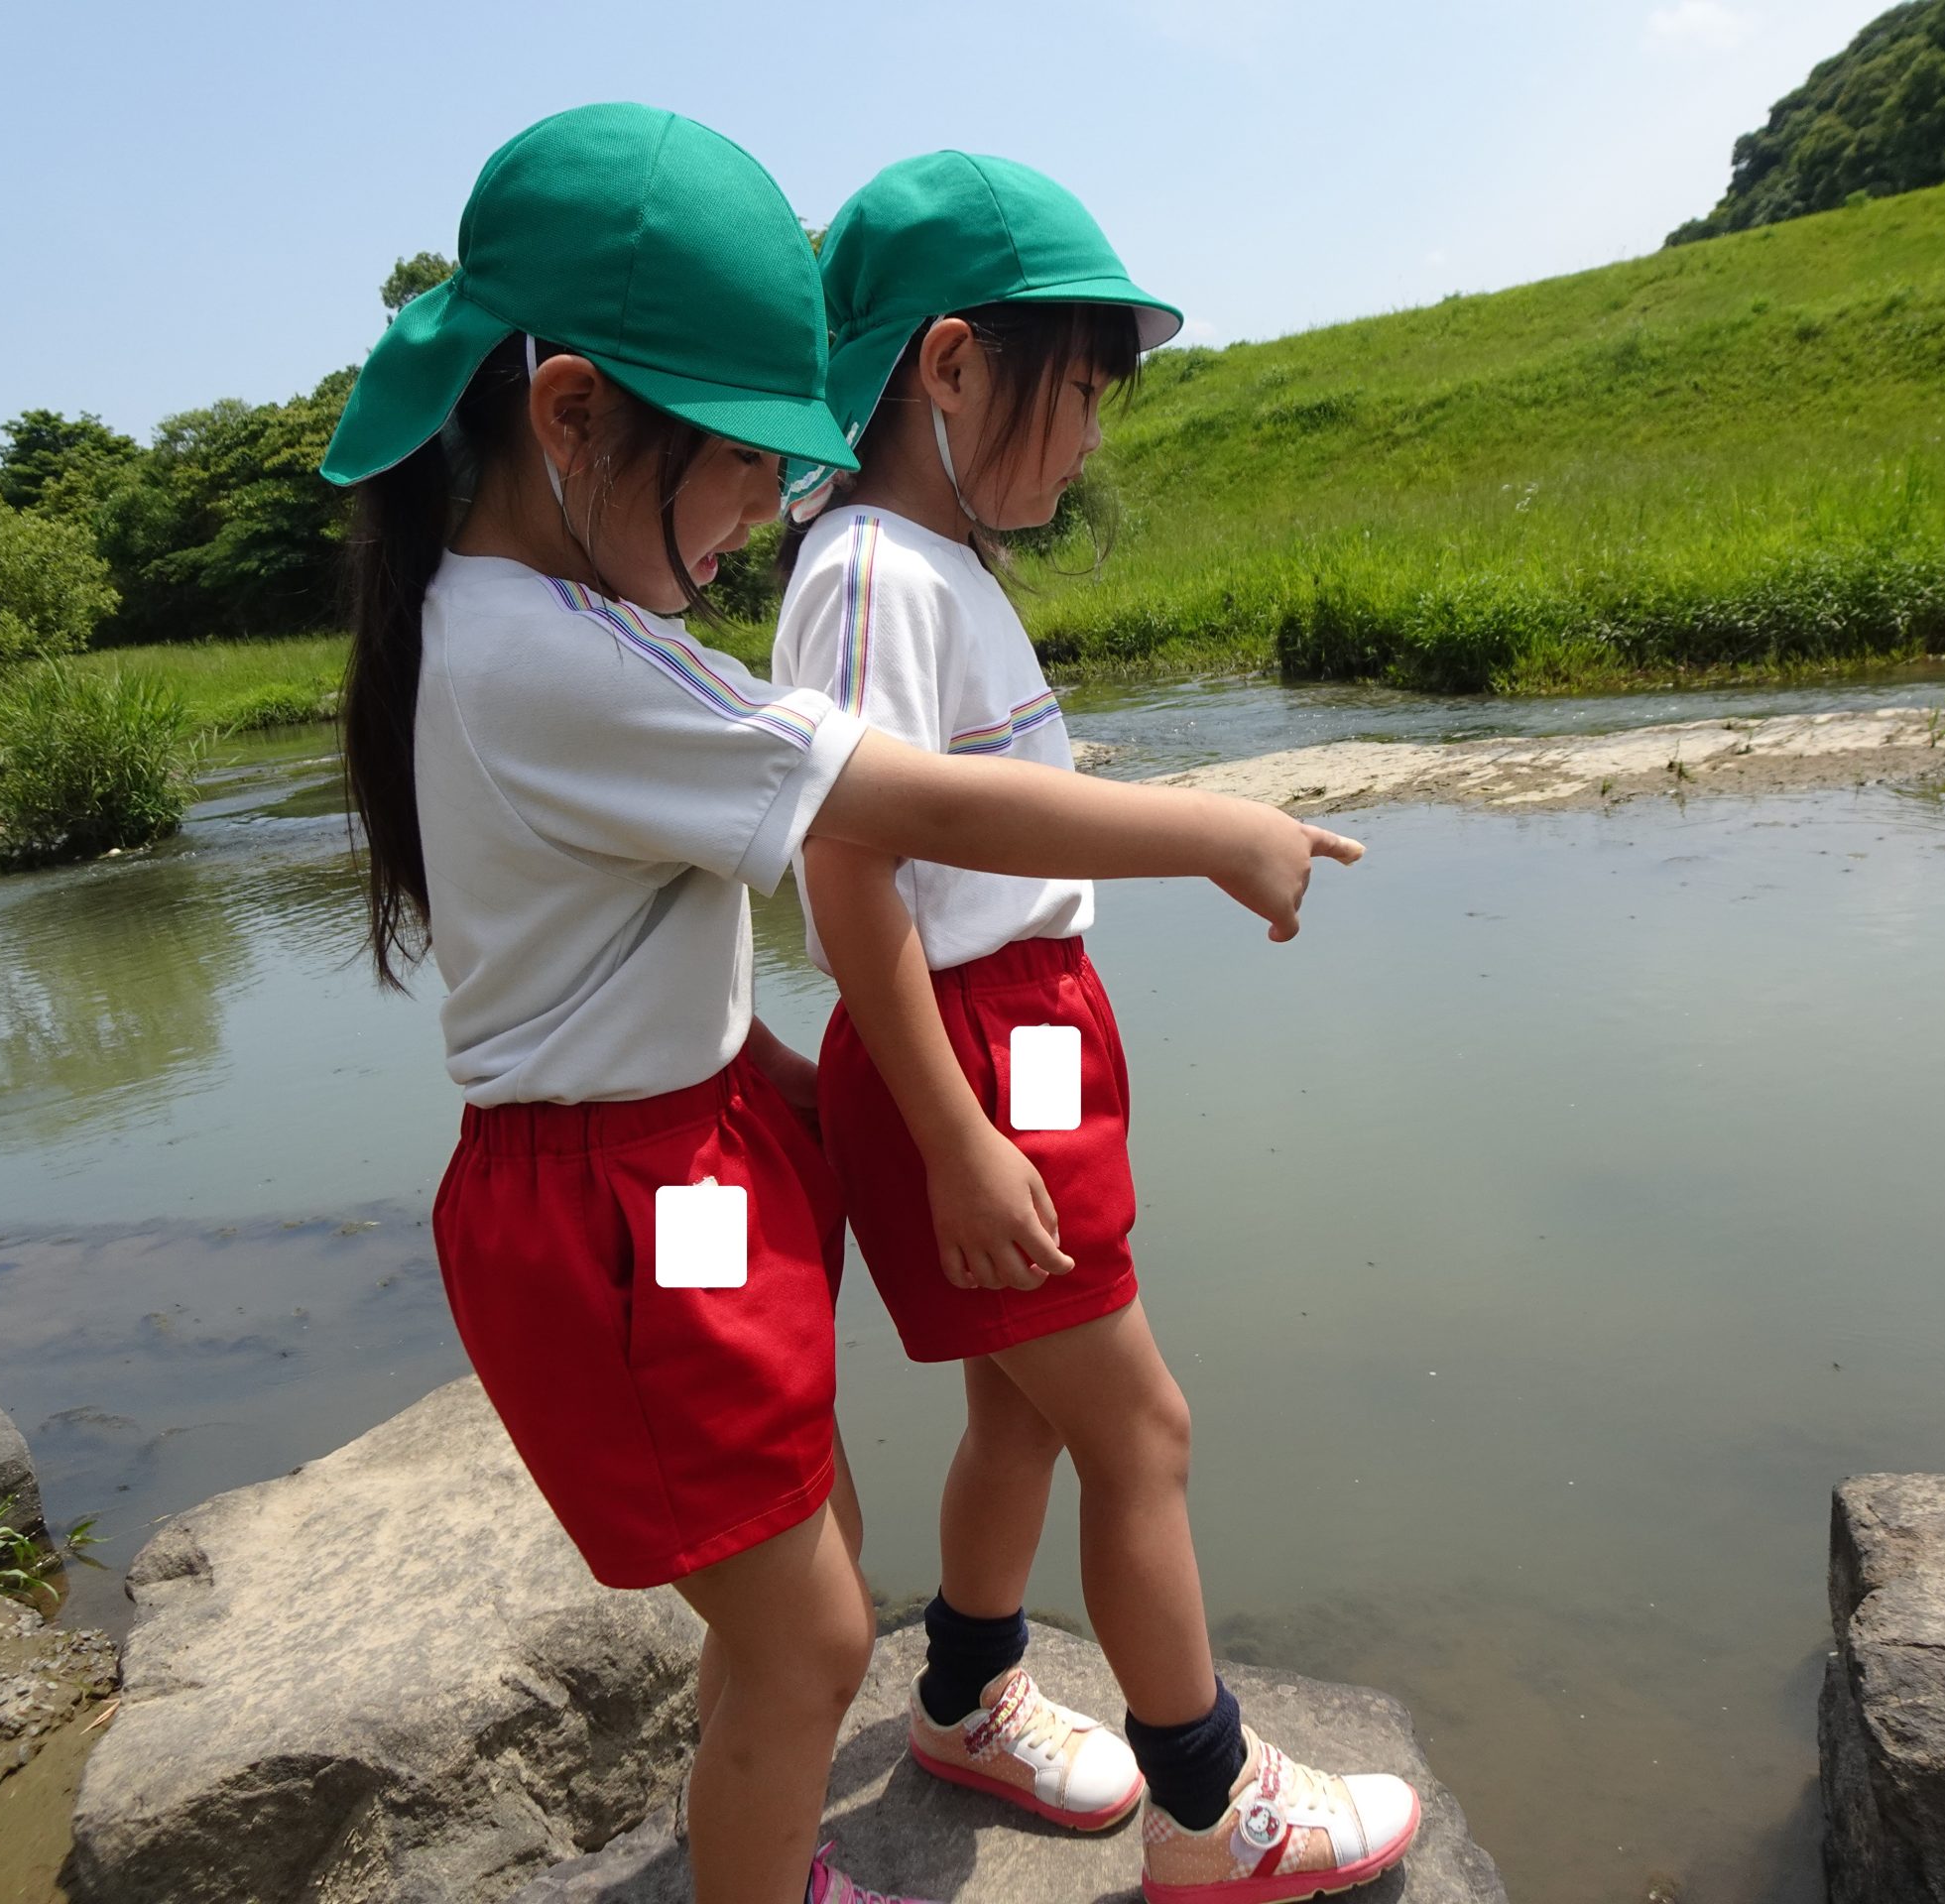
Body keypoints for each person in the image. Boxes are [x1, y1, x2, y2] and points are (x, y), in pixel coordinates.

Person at [321, 106, 1359, 1904]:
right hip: (637, 1201)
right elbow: (900, 815)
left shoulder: (519, 622)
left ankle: (797, 1838)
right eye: (731, 465)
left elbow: (616, 971)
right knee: (806, 1629)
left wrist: (776, 1080)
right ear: (568, 414)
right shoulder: (550, 650)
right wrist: (1211, 832)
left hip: (694, 1156)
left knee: (810, 1560)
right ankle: (876, 1854)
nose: (749, 519)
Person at [773, 151, 1419, 1904]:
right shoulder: (867, 577)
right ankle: (1214, 1812)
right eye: (1078, 394)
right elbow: (851, 884)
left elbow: (988, 812)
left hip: (1022, 1034)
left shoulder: (928, 565)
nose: (1088, 441)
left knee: (1029, 1414)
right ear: (954, 366)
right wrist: (962, 1137)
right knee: (1144, 1431)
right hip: (967, 1058)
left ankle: (970, 1693)